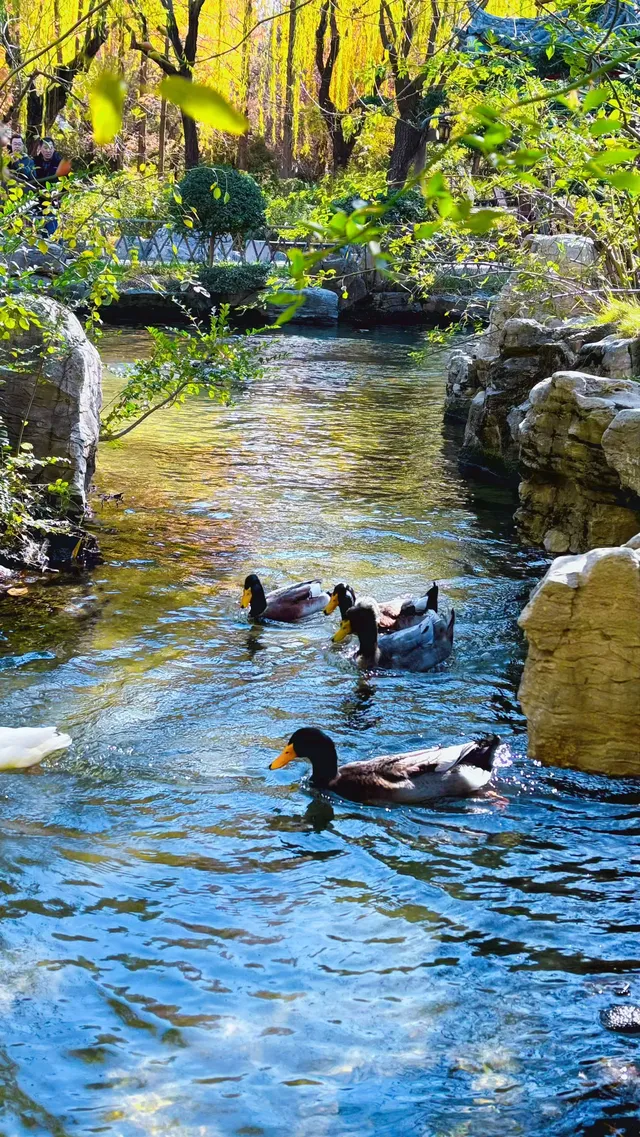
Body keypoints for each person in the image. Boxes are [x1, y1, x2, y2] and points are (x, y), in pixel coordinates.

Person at [34, 137, 70, 236]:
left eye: (51, 148)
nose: (48, 150)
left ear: (54, 148)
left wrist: (61, 197)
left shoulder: (60, 163)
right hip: (37, 202)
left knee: (52, 233)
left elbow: (68, 183)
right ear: (40, 148)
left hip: (54, 202)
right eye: (45, 148)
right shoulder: (34, 162)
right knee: (40, 233)